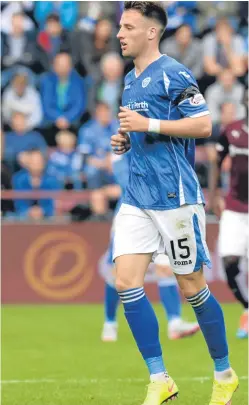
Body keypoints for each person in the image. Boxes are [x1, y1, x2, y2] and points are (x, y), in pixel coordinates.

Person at [110, 2, 238, 405]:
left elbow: (202, 124)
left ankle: (224, 373)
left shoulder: (174, 72)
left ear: (151, 32)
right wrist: (126, 140)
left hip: (175, 198)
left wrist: (147, 125)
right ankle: (160, 377)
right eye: (120, 26)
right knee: (126, 281)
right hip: (137, 195)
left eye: (128, 27)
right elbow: (146, 132)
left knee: (192, 287)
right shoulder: (131, 80)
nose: (119, 34)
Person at [100, 151, 199, 342]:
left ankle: (174, 322)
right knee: (118, 272)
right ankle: (110, 322)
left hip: (160, 212)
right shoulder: (124, 142)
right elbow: (124, 181)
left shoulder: (159, 141)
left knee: (165, 267)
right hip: (131, 214)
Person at [210, 90, 248, 339]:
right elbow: (216, 160)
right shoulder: (232, 131)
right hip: (235, 206)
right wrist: (214, 194)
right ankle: (247, 308)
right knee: (229, 261)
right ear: (244, 100)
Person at [40, 52, 87, 146]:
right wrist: (58, 118)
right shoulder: (46, 80)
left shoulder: (78, 81)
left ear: (70, 66)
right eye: (60, 65)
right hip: (51, 121)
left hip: (72, 121)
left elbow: (79, 104)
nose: (63, 68)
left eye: (66, 65)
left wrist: (67, 118)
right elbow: (46, 104)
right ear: (54, 66)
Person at [13, 149, 61, 220]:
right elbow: (18, 202)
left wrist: (43, 211)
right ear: (27, 163)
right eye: (33, 161)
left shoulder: (52, 180)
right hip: (23, 217)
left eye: (39, 161)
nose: (36, 164)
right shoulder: (18, 179)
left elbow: (55, 202)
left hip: (47, 217)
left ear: (44, 163)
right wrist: (29, 212)